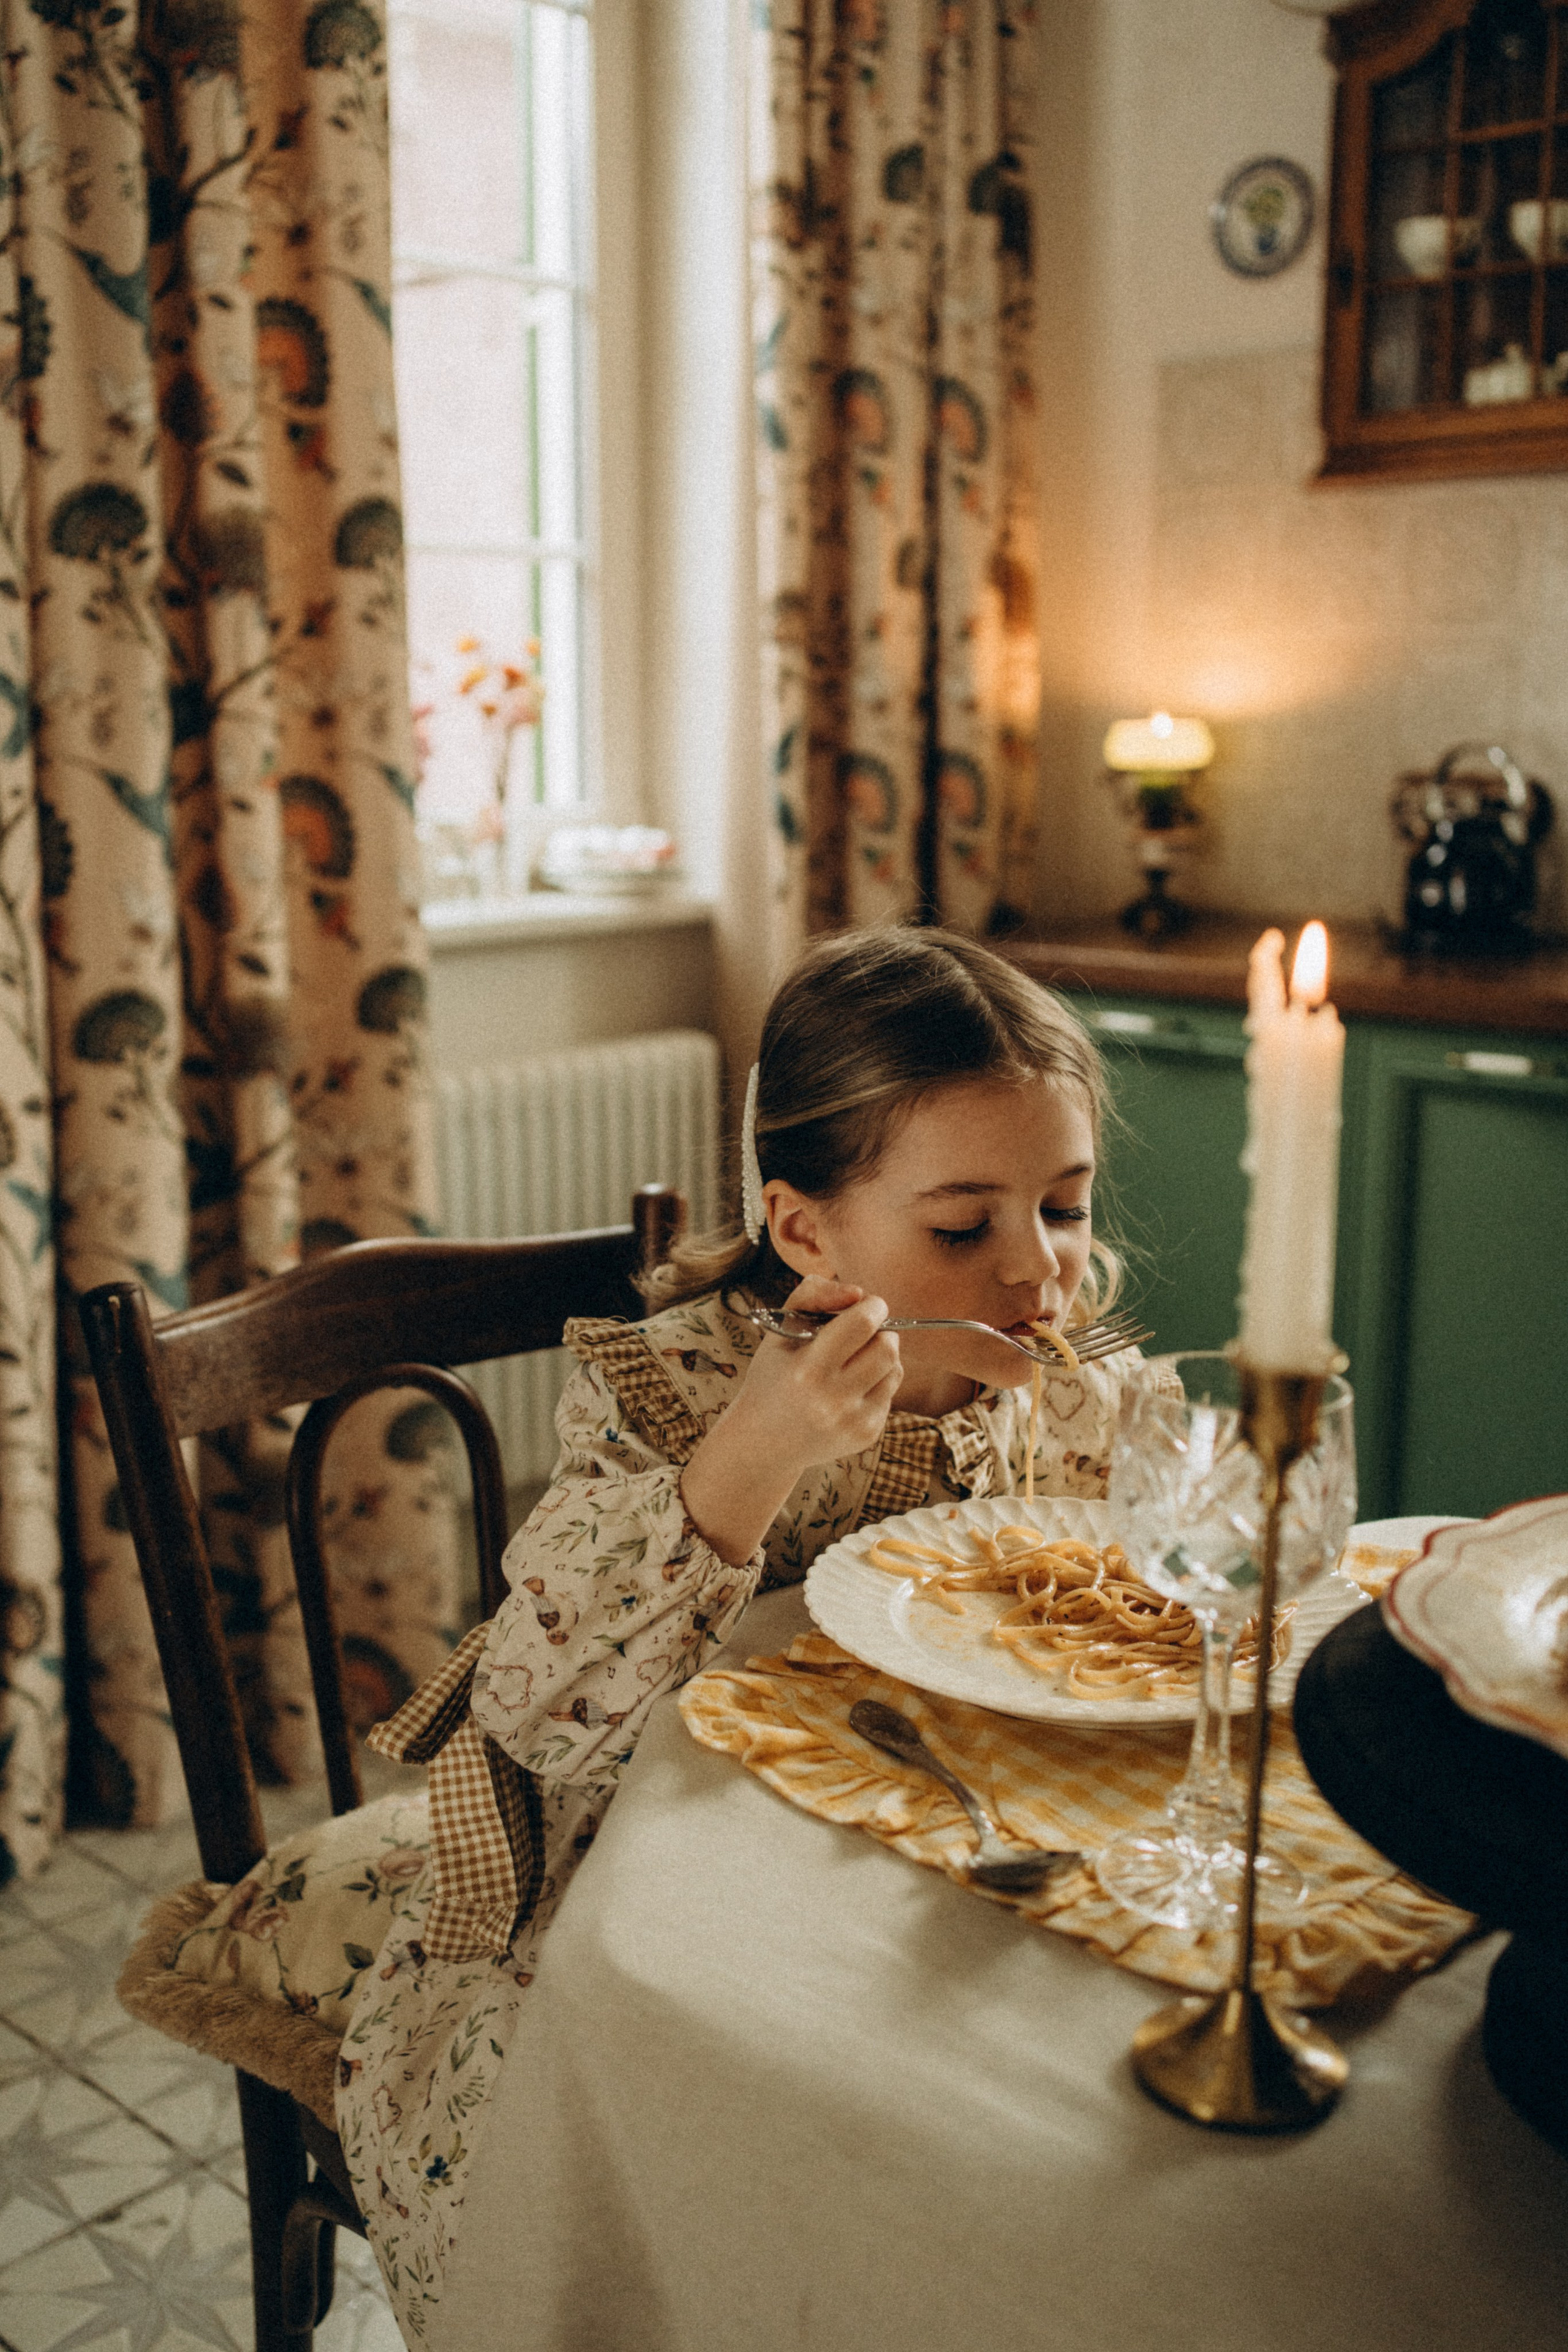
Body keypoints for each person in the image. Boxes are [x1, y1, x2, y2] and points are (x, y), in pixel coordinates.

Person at [336, 926, 1148, 2343]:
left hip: (913, 1837)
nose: (1037, 1271)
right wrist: (747, 1461)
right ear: (800, 1229)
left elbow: (1095, 1604)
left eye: (1064, 1208)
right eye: (962, 1227)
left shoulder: (1062, 1386)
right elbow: (537, 1709)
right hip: (641, 1857)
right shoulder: (672, 1390)